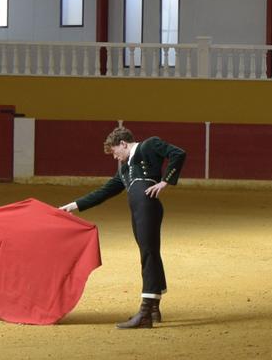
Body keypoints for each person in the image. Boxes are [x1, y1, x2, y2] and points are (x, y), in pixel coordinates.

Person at [59, 125, 186, 329]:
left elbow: (178, 153)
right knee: (149, 253)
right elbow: (105, 191)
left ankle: (145, 312)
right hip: (137, 208)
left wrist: (165, 182)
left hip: (147, 205)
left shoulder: (149, 145)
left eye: (114, 152)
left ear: (123, 144)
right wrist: (73, 206)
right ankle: (153, 309)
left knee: (149, 254)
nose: (115, 157)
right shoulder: (125, 169)